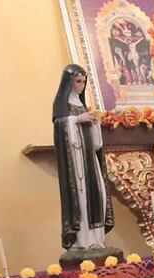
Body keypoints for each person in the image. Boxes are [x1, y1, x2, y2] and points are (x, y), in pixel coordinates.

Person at [52, 64, 114, 250]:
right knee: (81, 198)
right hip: (76, 163)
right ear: (69, 83)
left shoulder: (83, 106)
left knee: (99, 194)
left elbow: (96, 145)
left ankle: (97, 240)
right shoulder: (62, 106)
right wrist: (76, 120)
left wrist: (95, 124)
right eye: (78, 81)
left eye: (83, 82)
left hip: (90, 161)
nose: (81, 85)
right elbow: (59, 128)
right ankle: (82, 242)